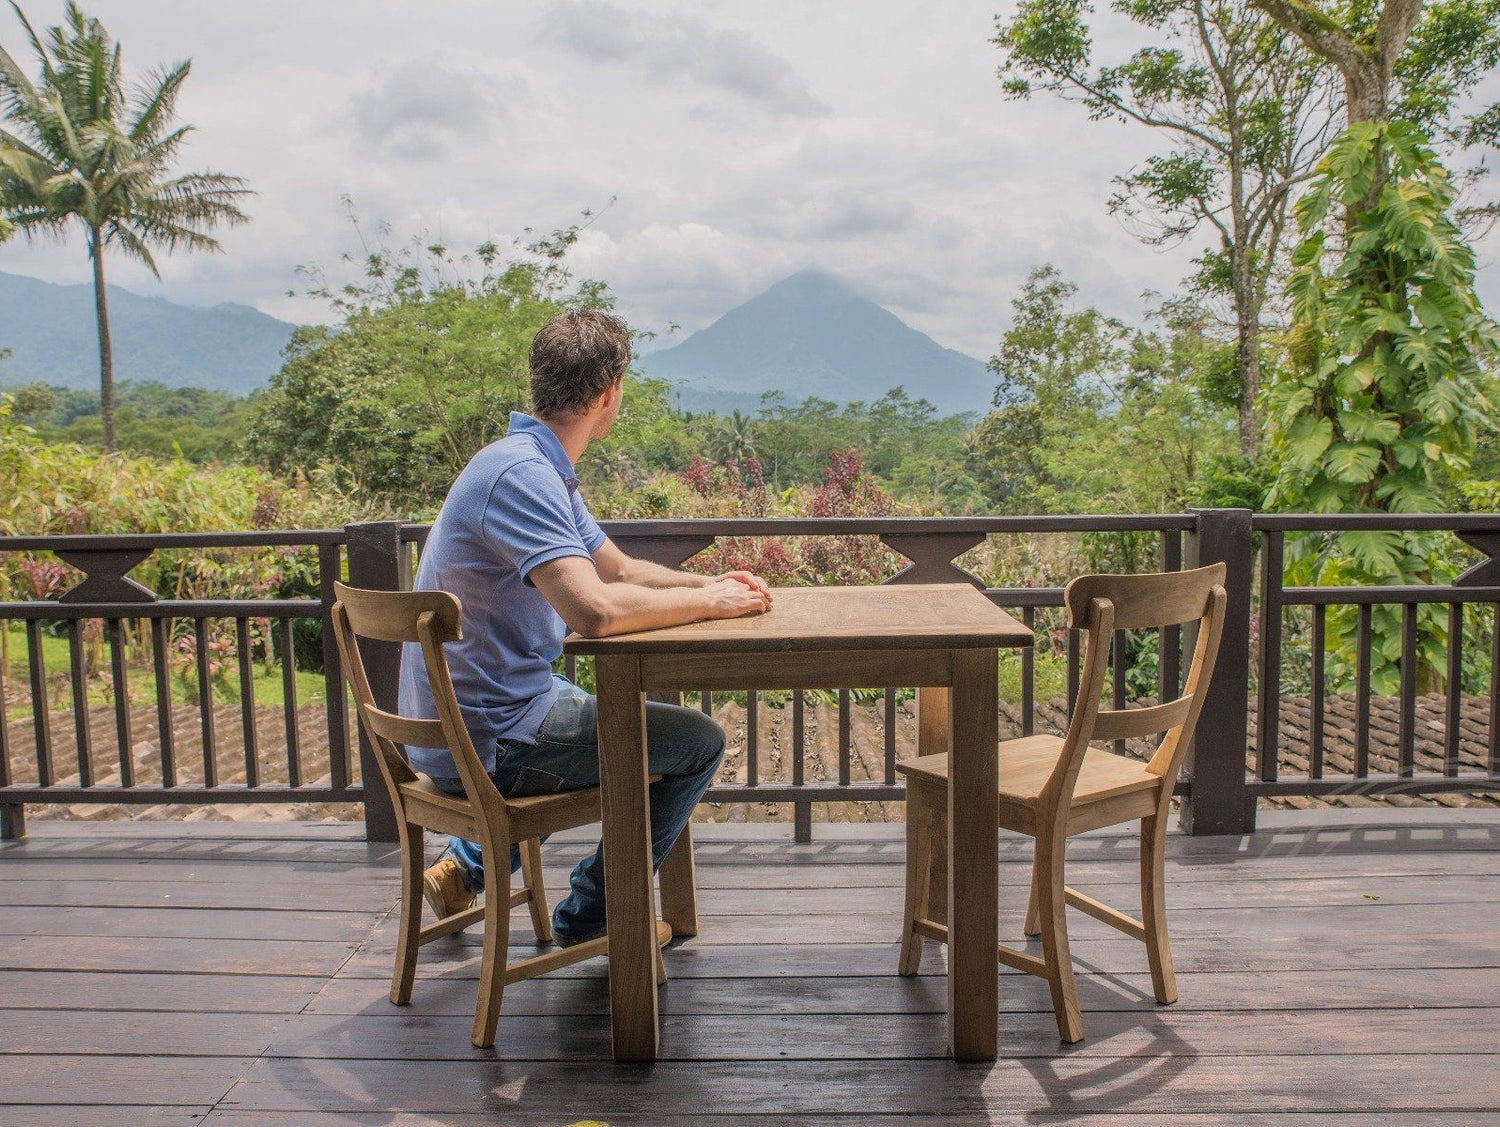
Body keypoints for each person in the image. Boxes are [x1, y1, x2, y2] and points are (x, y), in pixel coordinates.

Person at [398, 307, 772, 946]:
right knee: (697, 741)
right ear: (609, 395)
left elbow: (618, 568)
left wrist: (710, 585)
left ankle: (464, 870)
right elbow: (594, 612)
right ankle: (595, 916)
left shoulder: (531, 465)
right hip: (488, 738)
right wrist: (712, 608)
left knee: (617, 725)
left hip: (487, 714)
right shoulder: (522, 478)